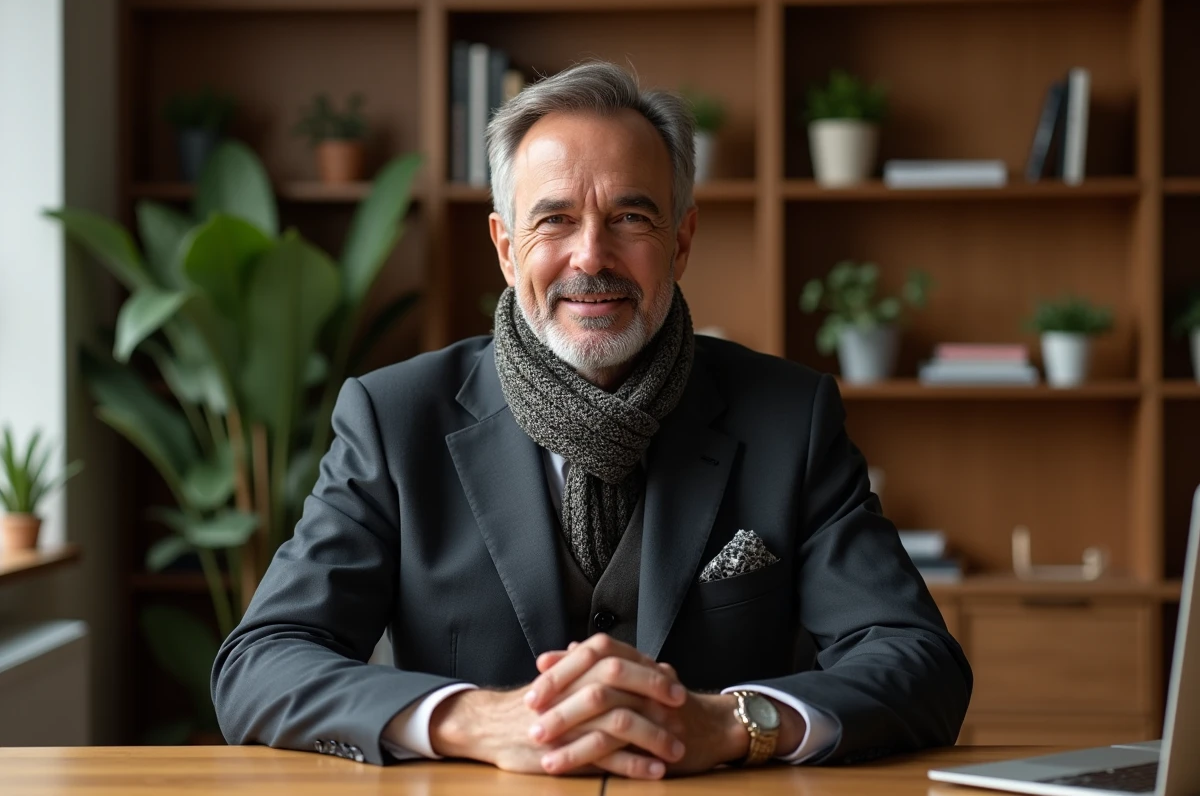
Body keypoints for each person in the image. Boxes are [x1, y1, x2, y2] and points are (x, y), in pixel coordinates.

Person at [211, 60, 972, 780]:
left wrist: (736, 722)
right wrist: (472, 720)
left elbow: (918, 658)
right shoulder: (392, 417)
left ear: (680, 241)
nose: (590, 256)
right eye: (554, 220)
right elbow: (262, 660)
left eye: (630, 217)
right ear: (507, 250)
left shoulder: (789, 416)